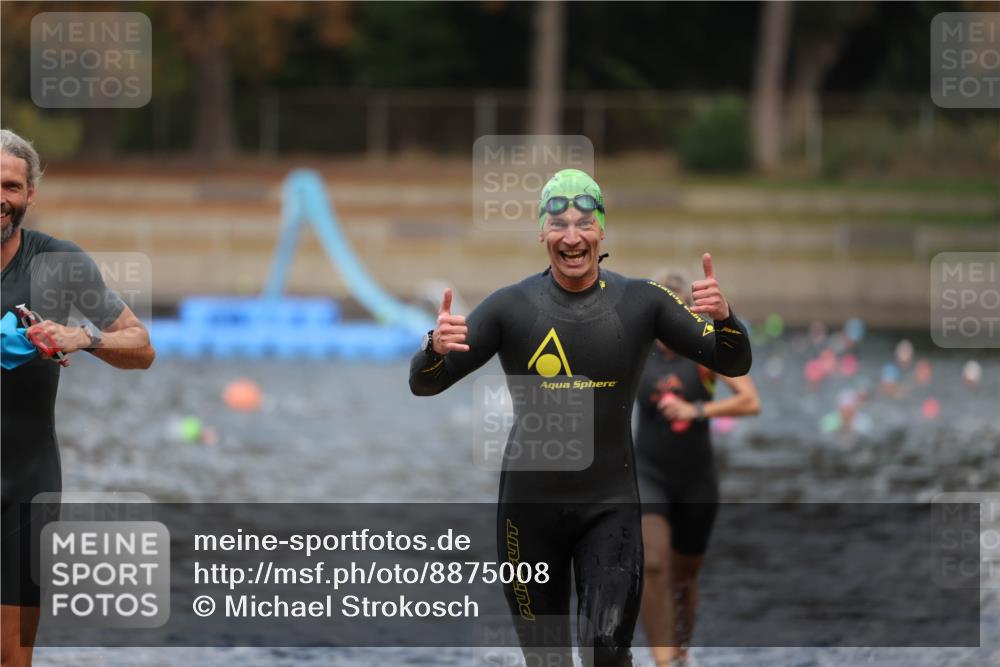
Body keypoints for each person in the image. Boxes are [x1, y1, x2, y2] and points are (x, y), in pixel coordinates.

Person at [408, 168, 752, 666]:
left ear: (602, 230)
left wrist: (725, 319)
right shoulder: (510, 307)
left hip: (610, 511)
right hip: (527, 518)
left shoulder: (642, 302)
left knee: (607, 656)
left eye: (584, 223)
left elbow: (734, 360)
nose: (572, 237)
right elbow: (425, 382)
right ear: (541, 233)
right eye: (559, 224)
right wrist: (432, 346)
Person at [1, 129, 155, 667]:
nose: (1, 197)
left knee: (12, 654)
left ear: (30, 195)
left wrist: (82, 338)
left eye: (11, 186)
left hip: (24, 484)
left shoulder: (59, 265)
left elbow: (141, 345)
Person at [635, 271, 760, 667]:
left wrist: (697, 408)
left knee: (682, 579)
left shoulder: (704, 352)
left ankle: (682, 652)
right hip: (647, 473)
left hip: (696, 481)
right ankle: (663, 660)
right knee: (652, 564)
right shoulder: (636, 352)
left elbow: (750, 401)